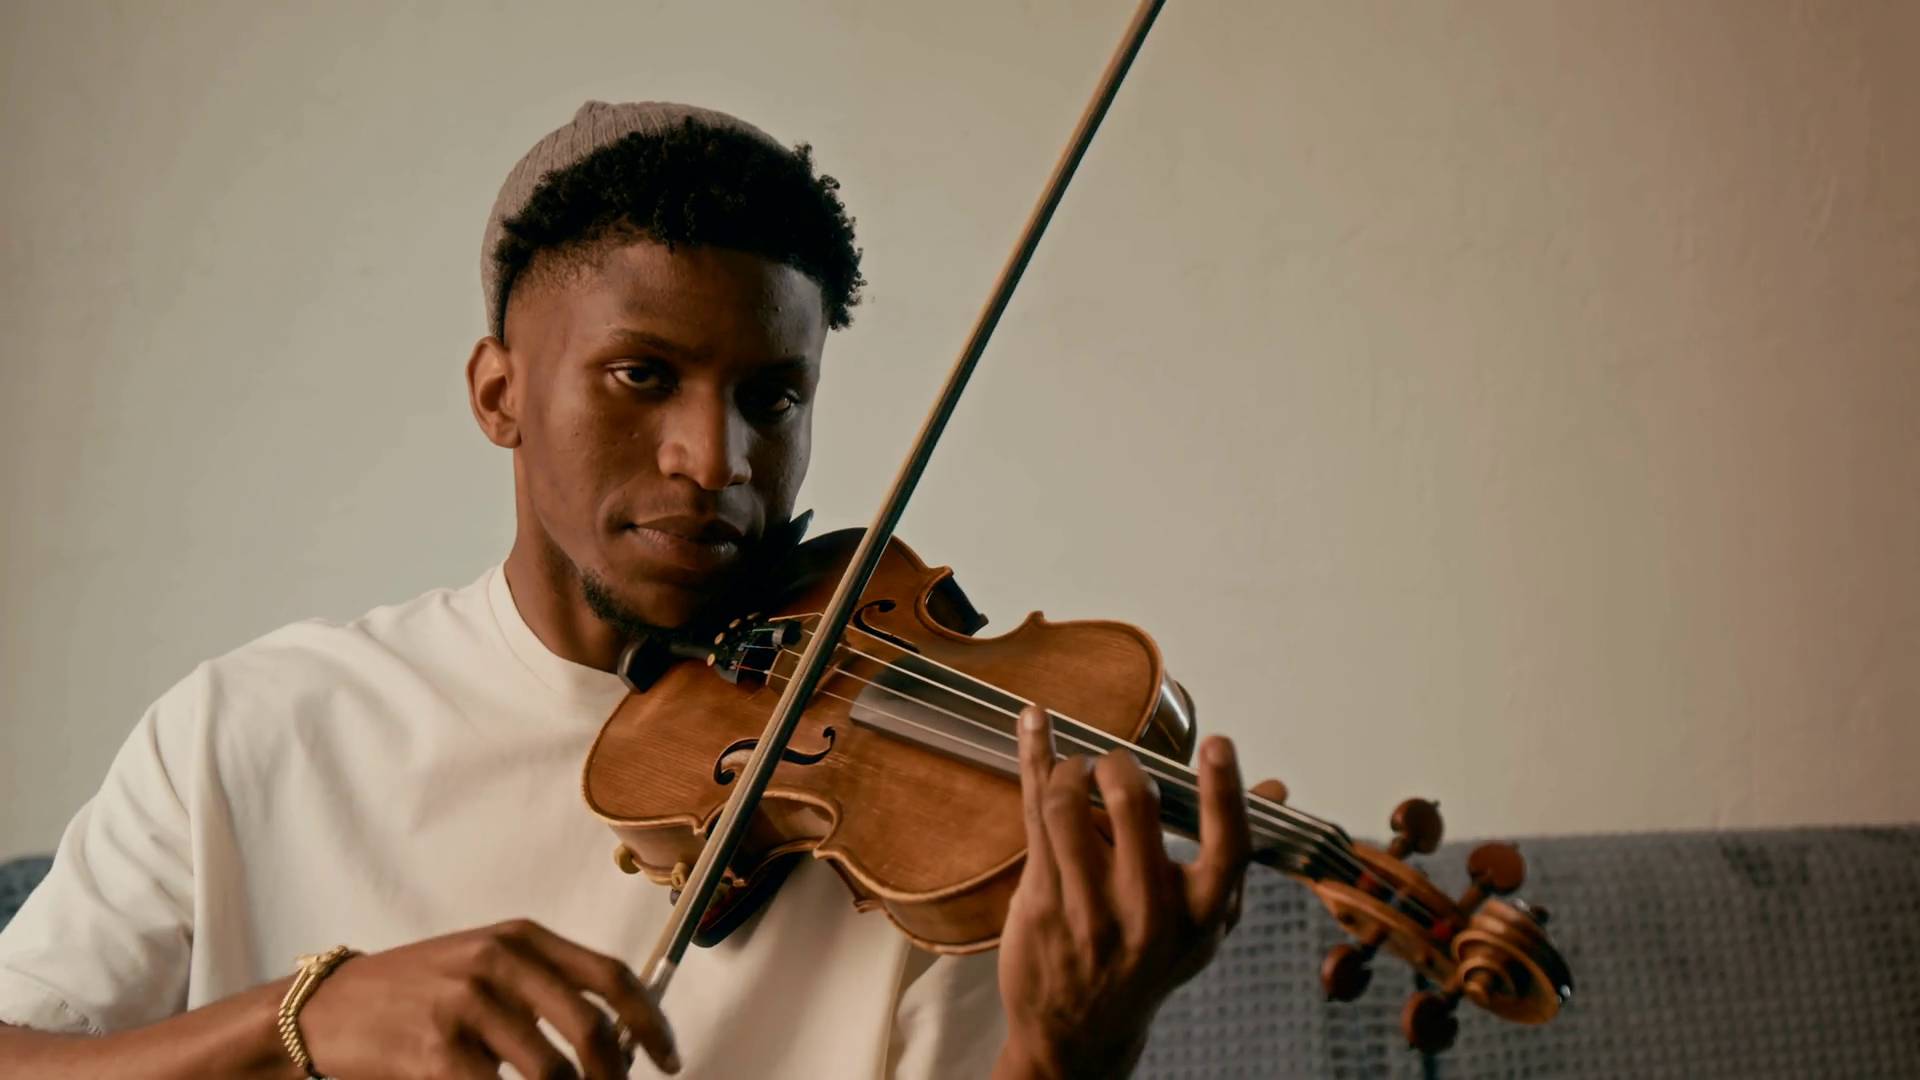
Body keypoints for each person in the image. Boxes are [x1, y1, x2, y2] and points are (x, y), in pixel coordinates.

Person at [0, 100, 1265, 1079]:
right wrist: (304, 1015)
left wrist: (1070, 1053)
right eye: (642, 375)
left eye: (772, 397)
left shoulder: (942, 819)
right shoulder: (248, 731)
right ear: (499, 392)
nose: (714, 460)